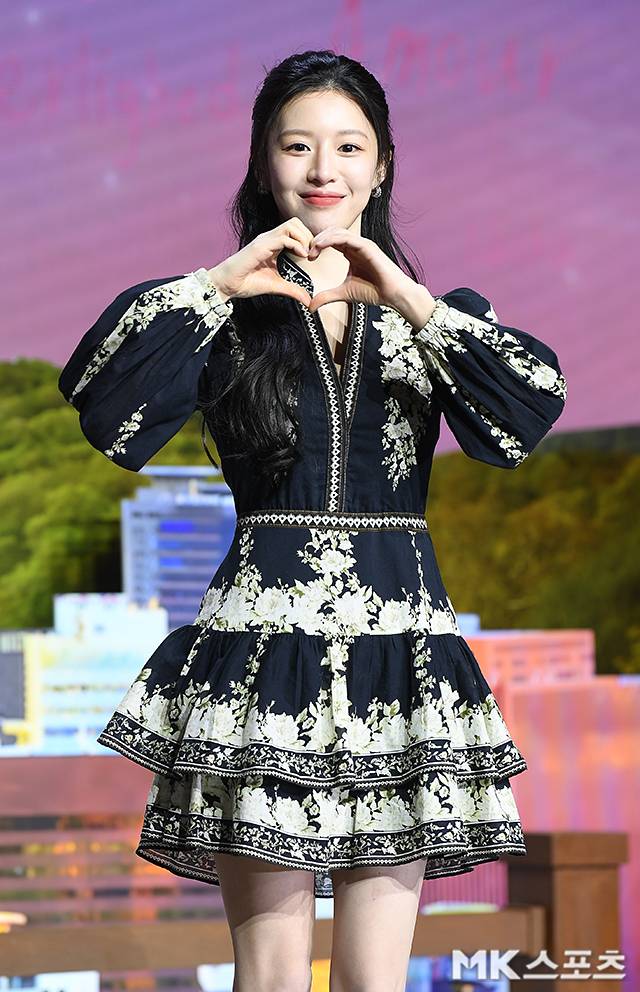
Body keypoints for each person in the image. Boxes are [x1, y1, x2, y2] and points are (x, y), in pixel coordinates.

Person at [58, 49, 567, 992]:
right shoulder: (225, 314)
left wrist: (409, 299)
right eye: (297, 146)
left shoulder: (432, 318)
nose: (323, 169)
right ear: (263, 163)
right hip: (262, 661)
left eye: (348, 147)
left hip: (399, 660)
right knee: (271, 976)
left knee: (376, 980)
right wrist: (217, 285)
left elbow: (526, 414)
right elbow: (102, 402)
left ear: (383, 165)